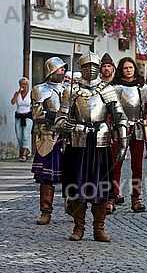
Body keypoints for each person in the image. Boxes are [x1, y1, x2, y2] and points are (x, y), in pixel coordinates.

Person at [56, 52, 128, 242]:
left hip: (100, 142)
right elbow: (60, 118)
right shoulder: (70, 90)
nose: (91, 70)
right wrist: (65, 125)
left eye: (94, 67)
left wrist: (123, 142)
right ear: (81, 68)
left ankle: (99, 228)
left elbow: (120, 117)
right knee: (77, 185)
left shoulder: (108, 90)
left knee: (101, 186)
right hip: (78, 142)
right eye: (87, 67)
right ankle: (79, 227)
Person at [111, 57, 147, 213]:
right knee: (115, 165)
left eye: (130, 67)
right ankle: (112, 197)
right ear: (121, 70)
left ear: (134, 69)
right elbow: (108, 112)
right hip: (119, 129)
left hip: (138, 128)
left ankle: (136, 198)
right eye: (125, 68)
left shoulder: (144, 89)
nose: (128, 70)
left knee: (137, 167)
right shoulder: (114, 88)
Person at [30, 57, 67, 224]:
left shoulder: (70, 89)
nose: (63, 71)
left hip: (69, 137)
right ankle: (46, 211)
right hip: (49, 136)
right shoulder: (40, 90)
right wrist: (55, 117)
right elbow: (37, 115)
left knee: (72, 175)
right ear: (51, 70)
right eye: (60, 69)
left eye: (64, 69)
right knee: (47, 177)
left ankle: (73, 208)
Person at [11, 77, 32, 162]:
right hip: (19, 116)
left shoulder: (30, 94)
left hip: (27, 116)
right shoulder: (17, 93)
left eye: (24, 84)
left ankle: (24, 154)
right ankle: (26, 150)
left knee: (26, 135)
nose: (23, 86)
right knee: (19, 136)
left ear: (27, 85)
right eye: (21, 84)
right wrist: (18, 93)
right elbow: (12, 102)